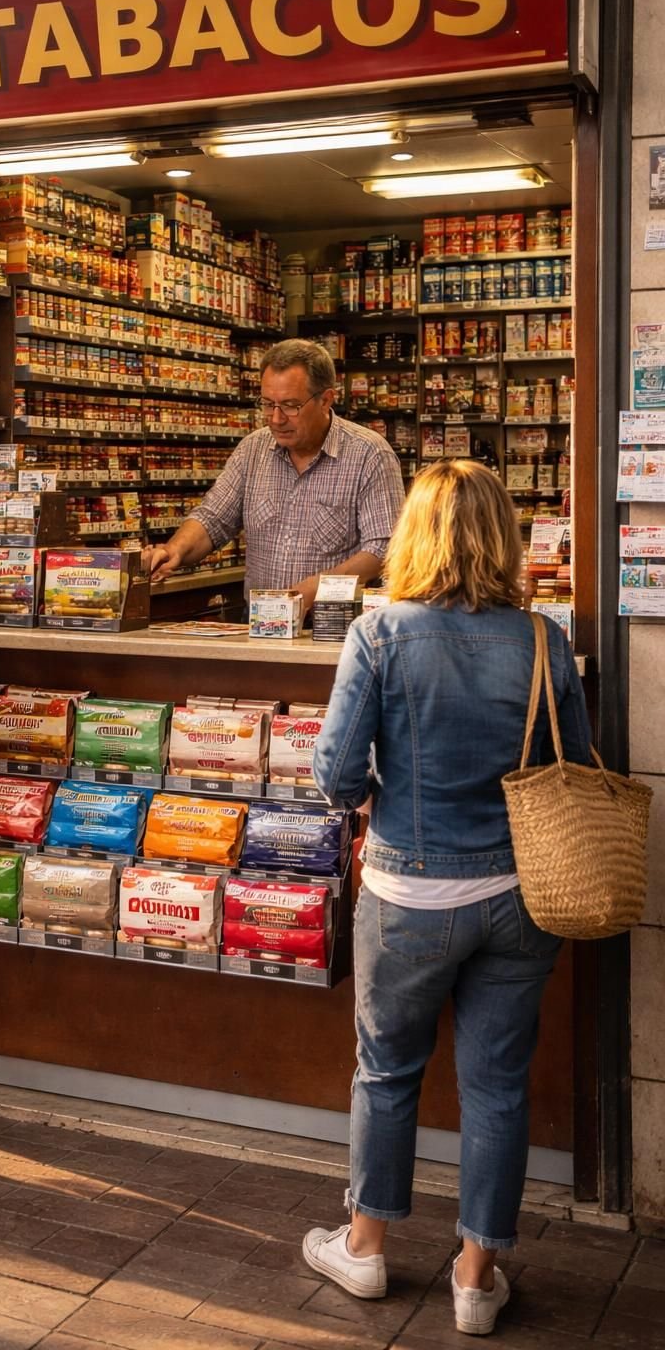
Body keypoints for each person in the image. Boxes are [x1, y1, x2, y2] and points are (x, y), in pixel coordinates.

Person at [301, 461, 593, 1337]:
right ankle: (475, 1277)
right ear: (505, 538)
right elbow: (575, 763)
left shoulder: (380, 634)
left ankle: (364, 1249)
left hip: (407, 895)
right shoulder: (542, 637)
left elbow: (336, 775)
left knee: (387, 1071)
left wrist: (384, 795)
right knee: (497, 1085)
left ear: (414, 537)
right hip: (519, 893)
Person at [143, 339, 405, 617]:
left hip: (334, 626)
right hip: (260, 623)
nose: (276, 419)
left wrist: (318, 588)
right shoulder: (253, 449)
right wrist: (174, 550)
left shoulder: (369, 454)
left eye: (291, 406)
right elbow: (213, 519)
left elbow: (384, 547)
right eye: (268, 404)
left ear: (326, 400)